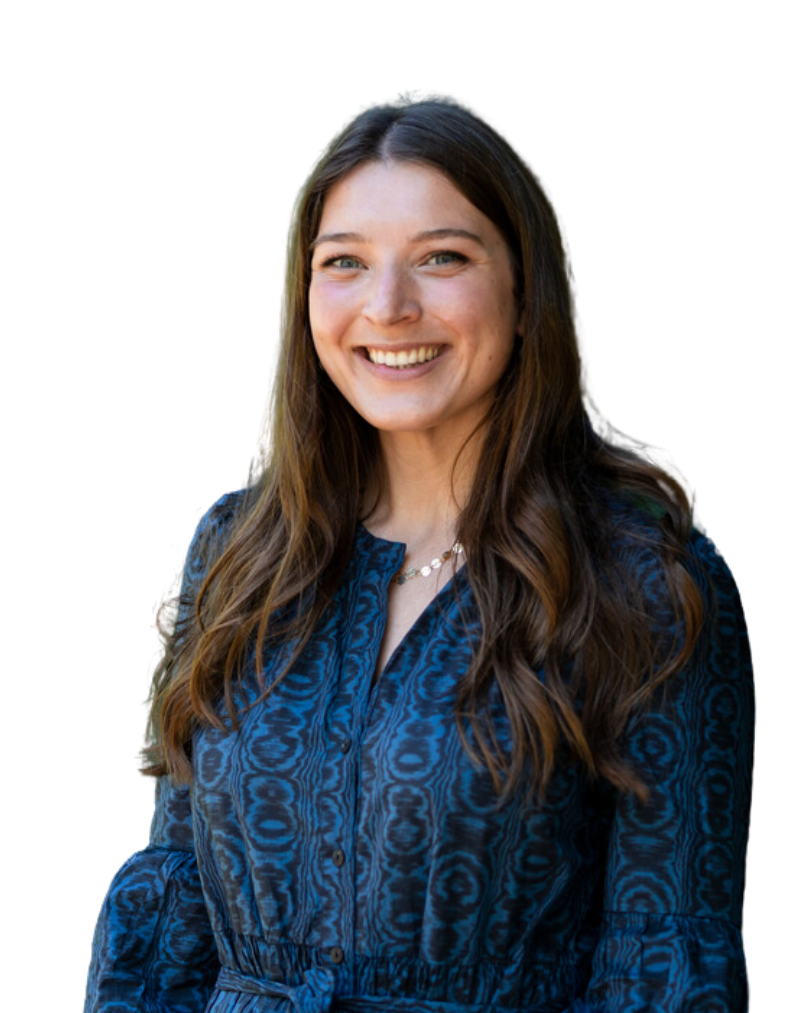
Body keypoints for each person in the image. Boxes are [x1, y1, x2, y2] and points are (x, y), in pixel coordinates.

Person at [84, 90, 754, 1012]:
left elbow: (664, 962)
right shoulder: (234, 552)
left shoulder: (642, 580)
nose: (389, 307)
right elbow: (176, 904)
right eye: (345, 263)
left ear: (526, 293)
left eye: (442, 258)